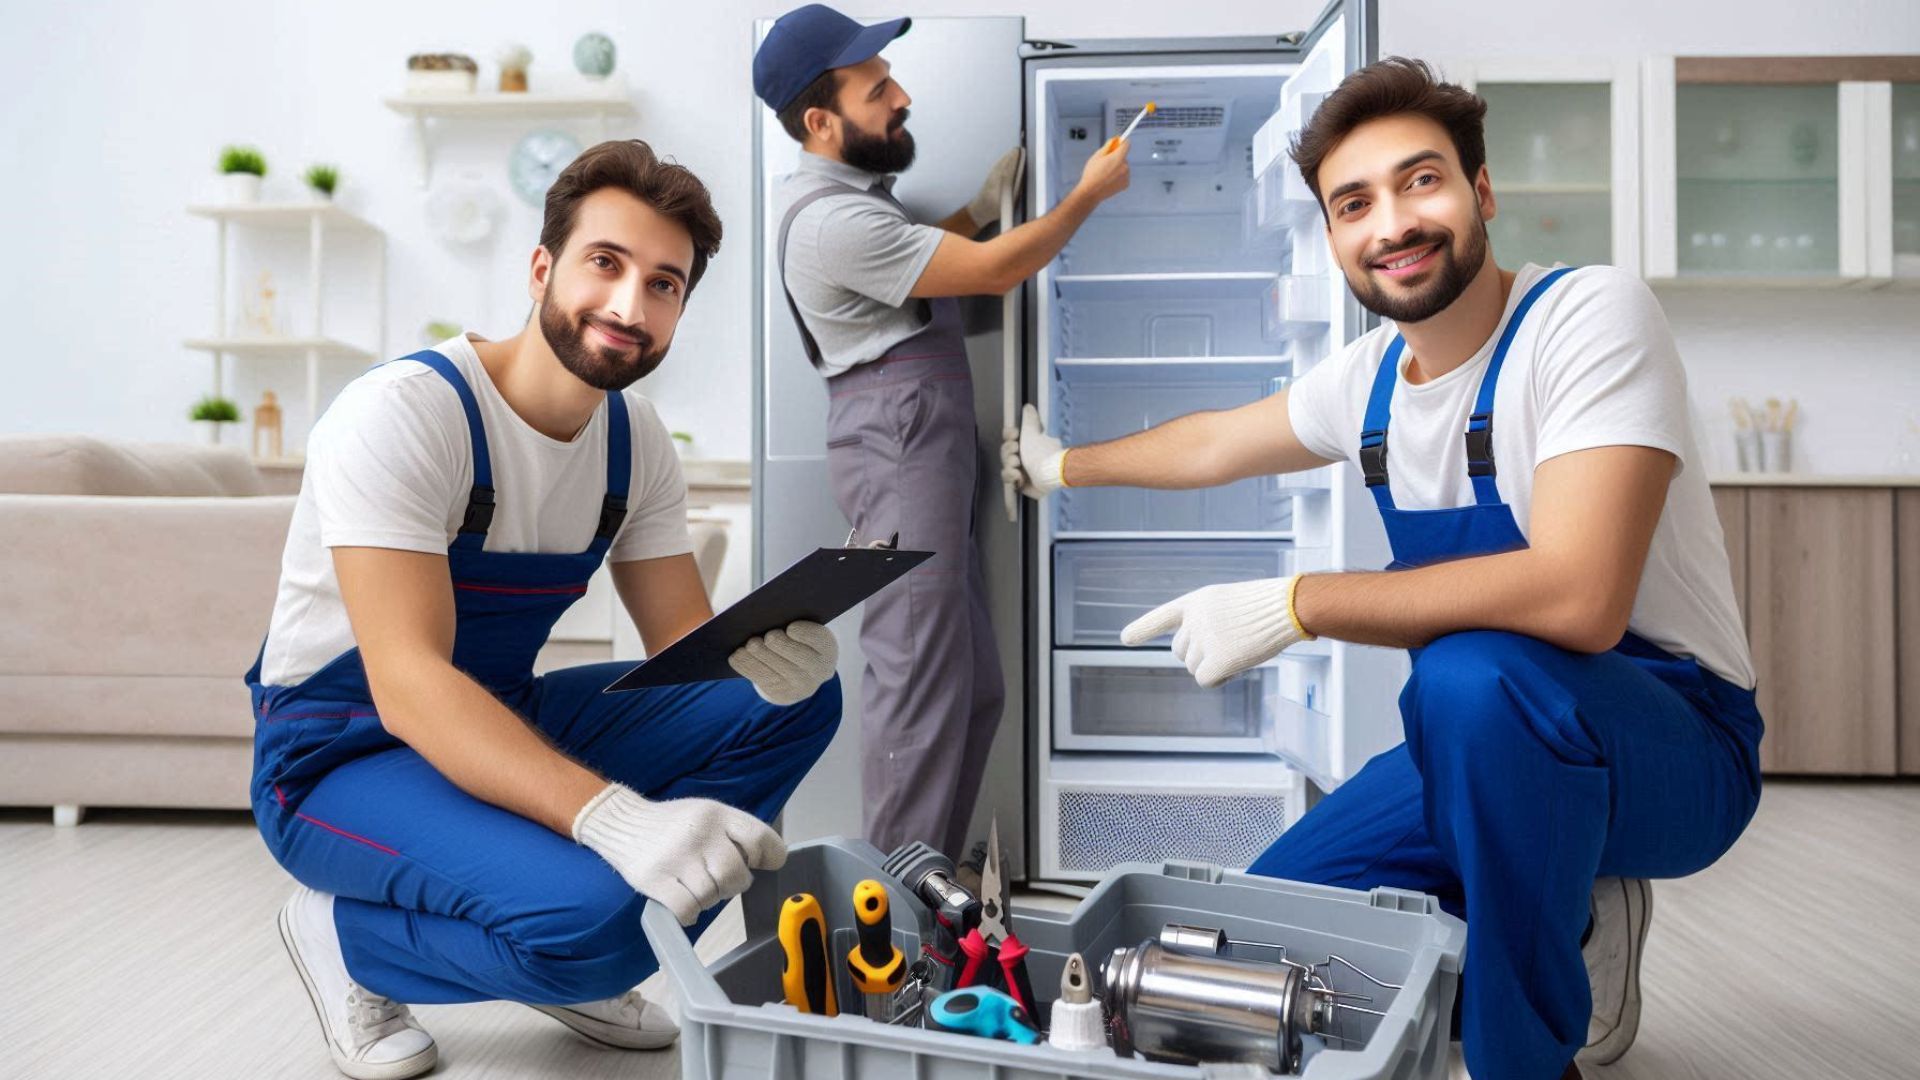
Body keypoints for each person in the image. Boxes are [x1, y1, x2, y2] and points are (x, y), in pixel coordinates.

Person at [1002, 58, 1762, 1080]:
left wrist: (1299, 603)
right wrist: (1060, 466)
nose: (1392, 223)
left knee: (1472, 677)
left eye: (1422, 181)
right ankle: (1565, 890)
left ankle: (1528, 1056)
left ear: (1481, 192)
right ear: (1331, 237)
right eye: (1354, 203)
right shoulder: (1368, 384)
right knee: (1258, 939)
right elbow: (1212, 444)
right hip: (1477, 740)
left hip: (1675, 743)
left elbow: (1581, 598)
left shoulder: (1586, 320)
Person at [246, 139, 842, 1079]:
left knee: (796, 701)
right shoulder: (405, 414)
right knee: (593, 932)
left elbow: (683, 655)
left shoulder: (633, 443)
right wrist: (614, 821)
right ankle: (348, 938)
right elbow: (405, 682)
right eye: (605, 264)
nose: (628, 306)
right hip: (341, 756)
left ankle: (565, 909)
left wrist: (772, 667)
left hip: (502, 722)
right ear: (541, 269)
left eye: (664, 285)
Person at [753, 3, 1131, 855]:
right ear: (821, 121)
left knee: (971, 687)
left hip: (918, 438)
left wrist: (975, 207)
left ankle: (928, 891)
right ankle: (887, 931)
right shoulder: (830, 220)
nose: (902, 97)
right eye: (878, 87)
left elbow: (918, 257)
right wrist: (1085, 198)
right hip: (897, 440)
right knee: (919, 685)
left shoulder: (859, 207)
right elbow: (991, 273)